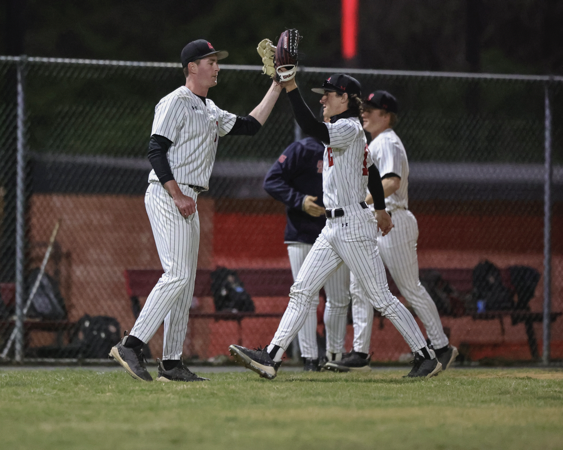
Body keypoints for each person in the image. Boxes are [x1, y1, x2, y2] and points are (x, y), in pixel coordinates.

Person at [229, 73, 443, 379]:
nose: (322, 98)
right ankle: (271, 357)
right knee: (301, 290)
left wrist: (290, 88)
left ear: (345, 99)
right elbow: (372, 173)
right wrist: (380, 209)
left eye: (329, 93)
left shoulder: (348, 127)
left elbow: (311, 127)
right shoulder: (348, 131)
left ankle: (425, 356)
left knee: (380, 296)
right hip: (333, 226)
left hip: (352, 225)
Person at [110, 39, 283, 382]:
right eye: (210, 61)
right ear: (192, 67)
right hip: (167, 193)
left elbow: (250, 124)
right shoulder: (175, 101)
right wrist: (176, 194)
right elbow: (155, 150)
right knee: (176, 273)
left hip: (190, 196)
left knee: (185, 282)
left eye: (217, 61)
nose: (217, 66)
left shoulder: (210, 109)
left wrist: (278, 85)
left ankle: (171, 363)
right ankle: (130, 344)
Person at [325, 91, 458, 372]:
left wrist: (360, 203)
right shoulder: (374, 141)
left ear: (386, 116)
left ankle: (441, 346)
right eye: (365, 109)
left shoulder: (387, 142)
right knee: (360, 289)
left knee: (409, 288)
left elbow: (391, 183)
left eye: (372, 110)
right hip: (373, 221)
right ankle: (360, 353)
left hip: (393, 220)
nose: (365, 113)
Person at [263, 136, 352, 371]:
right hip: (302, 234)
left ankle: (335, 355)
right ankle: (310, 359)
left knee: (339, 298)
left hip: (336, 231)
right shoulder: (302, 148)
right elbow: (271, 180)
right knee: (307, 298)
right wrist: (300, 201)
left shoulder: (349, 145)